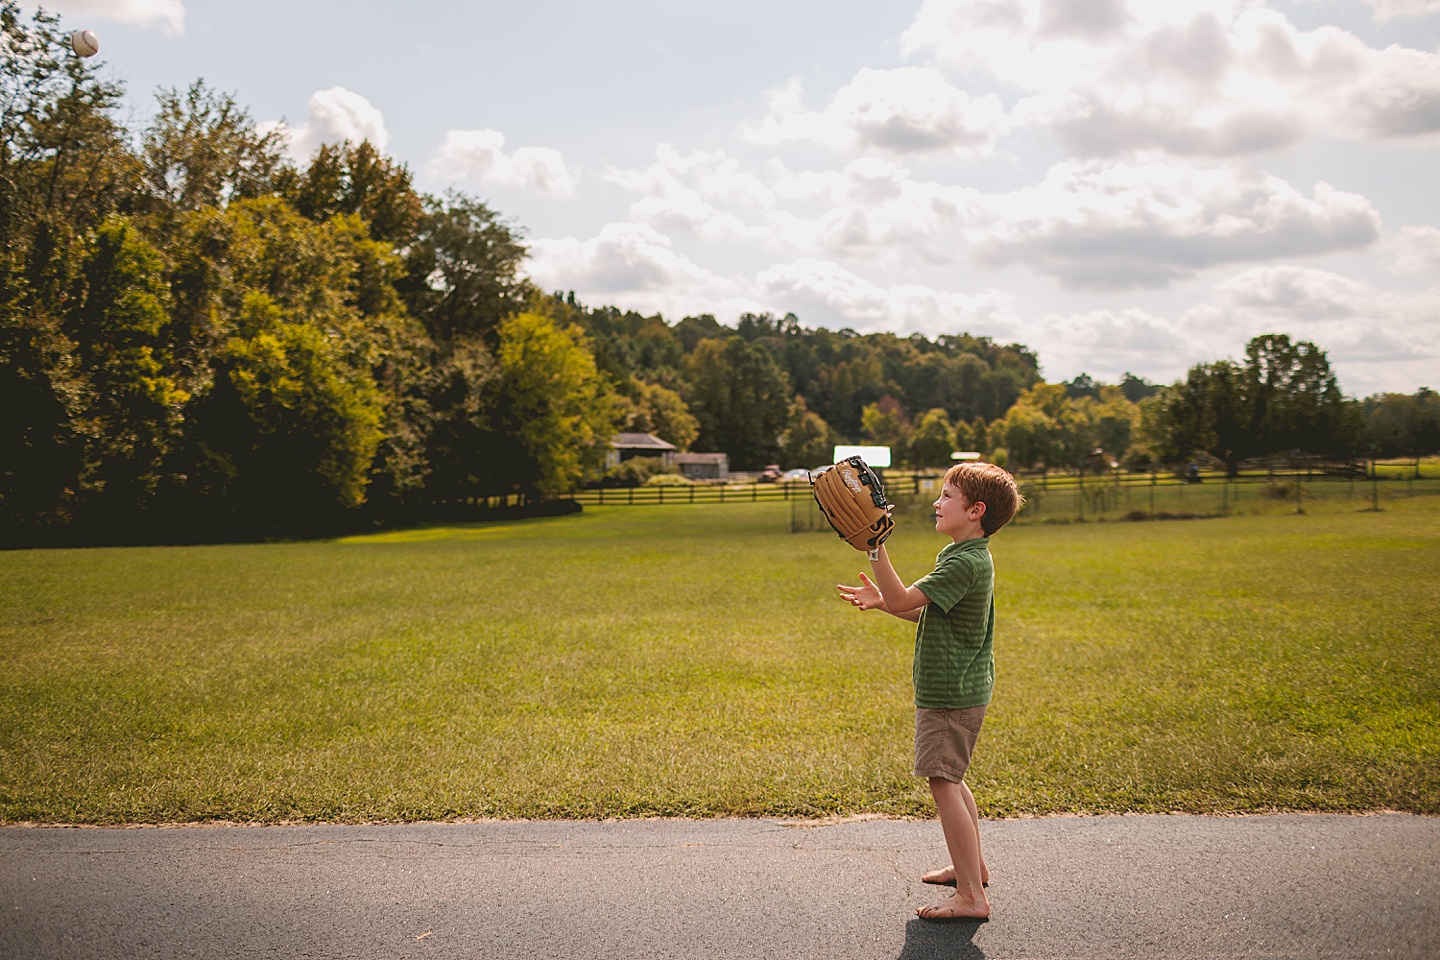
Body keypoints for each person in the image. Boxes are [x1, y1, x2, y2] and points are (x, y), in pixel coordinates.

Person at [837, 461, 1022, 921]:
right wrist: (886, 605)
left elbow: (904, 598)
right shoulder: (961, 557)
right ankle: (971, 870)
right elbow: (925, 612)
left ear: (975, 510)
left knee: (943, 783)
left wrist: (874, 548)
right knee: (952, 780)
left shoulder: (967, 561)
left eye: (946, 496)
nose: (936, 503)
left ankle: (971, 898)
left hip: (950, 691)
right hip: (958, 685)